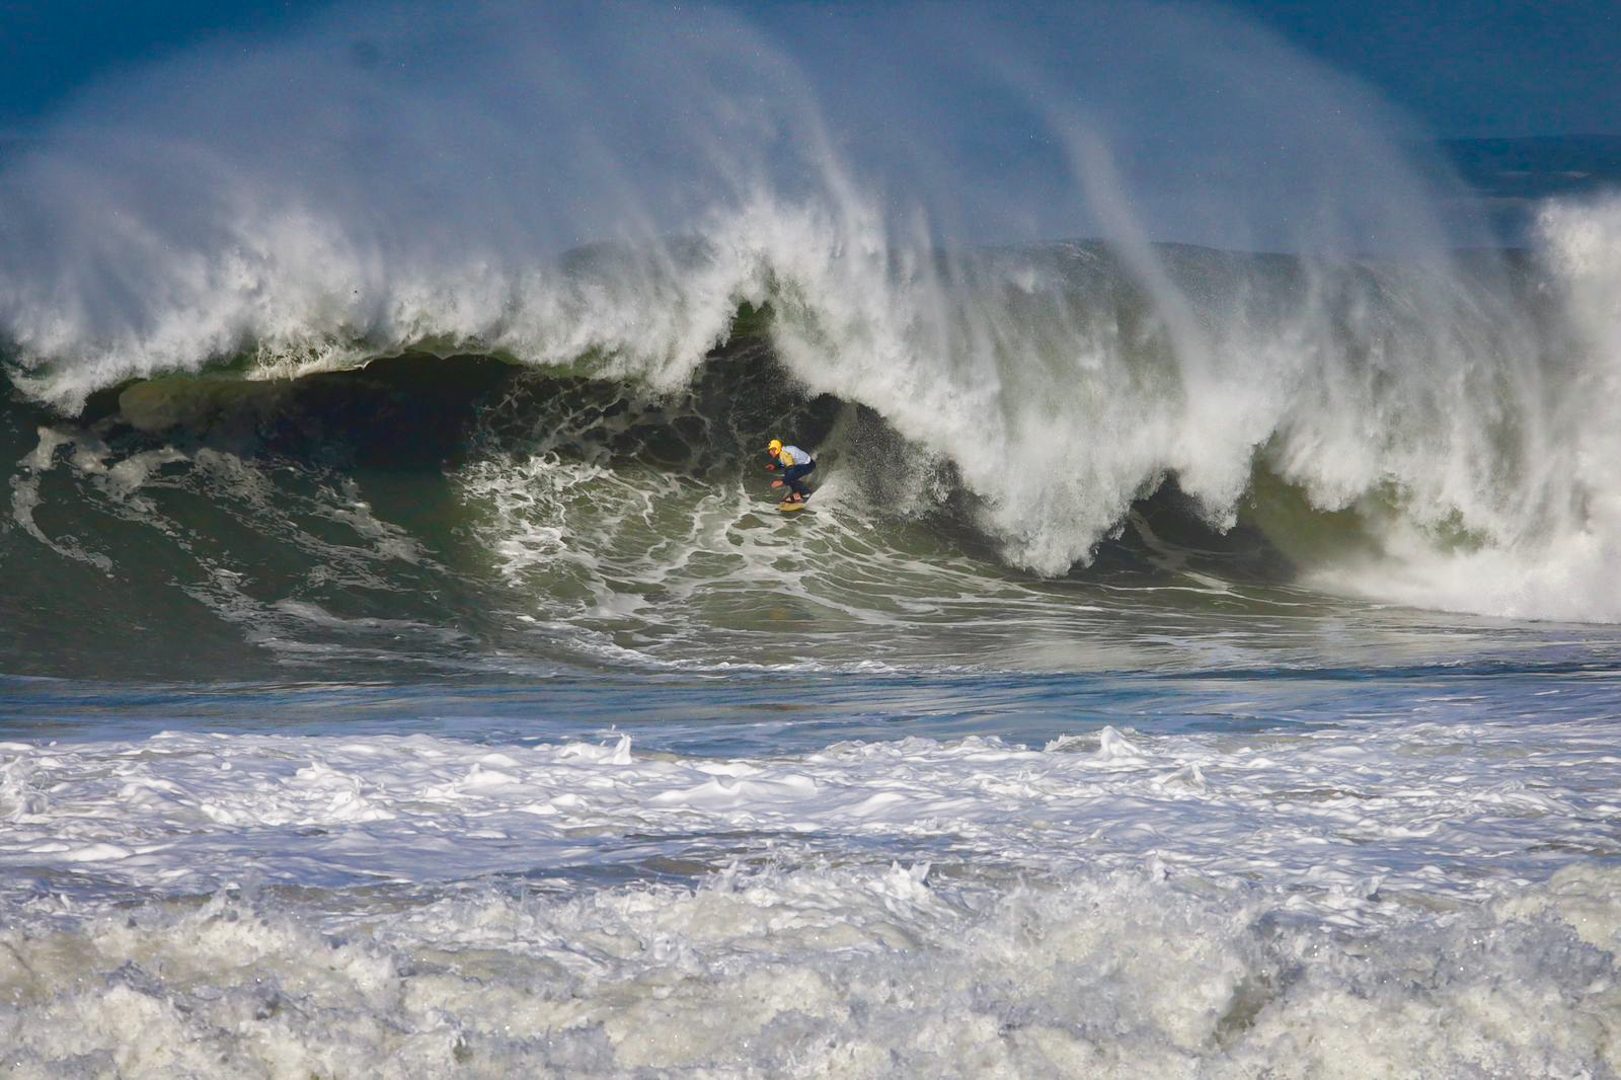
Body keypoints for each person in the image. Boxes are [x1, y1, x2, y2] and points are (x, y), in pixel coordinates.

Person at [764, 437, 816, 504]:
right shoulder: (782, 451)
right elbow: (786, 463)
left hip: (808, 466)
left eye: (772, 450)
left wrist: (782, 482)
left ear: (776, 449)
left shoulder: (784, 454)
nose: (770, 452)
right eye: (770, 450)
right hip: (807, 463)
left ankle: (805, 494)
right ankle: (797, 493)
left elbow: (791, 470)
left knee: (790, 476)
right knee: (788, 475)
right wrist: (775, 467)